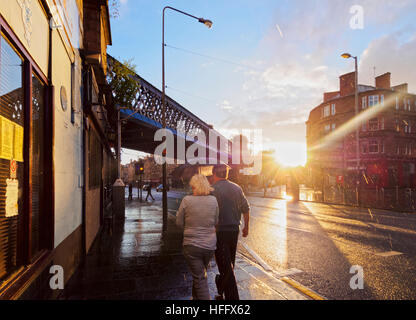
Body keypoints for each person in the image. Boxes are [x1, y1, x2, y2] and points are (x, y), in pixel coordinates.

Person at [176, 174, 219, 300]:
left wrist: (188, 228)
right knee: (199, 274)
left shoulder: (187, 200)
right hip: (209, 246)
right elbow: (216, 221)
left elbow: (179, 222)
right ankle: (195, 297)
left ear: (194, 186)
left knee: (200, 277)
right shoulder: (213, 200)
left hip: (192, 246)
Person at [211, 164, 250, 300]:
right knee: (229, 264)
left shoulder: (212, 190)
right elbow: (246, 209)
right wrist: (246, 227)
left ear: (214, 174)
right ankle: (221, 286)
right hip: (234, 232)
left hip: (219, 233)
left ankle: (232, 299)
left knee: (225, 266)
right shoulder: (237, 188)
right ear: (226, 174)